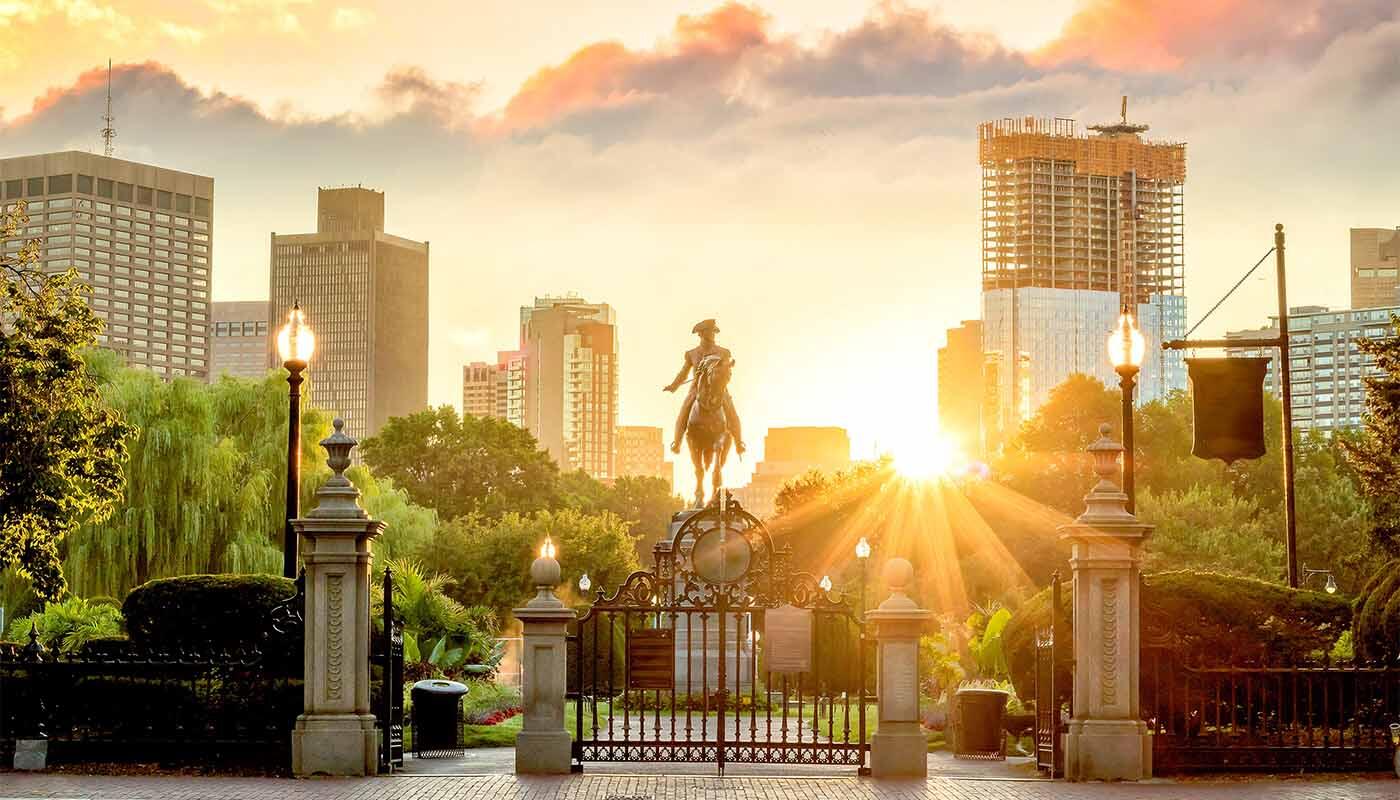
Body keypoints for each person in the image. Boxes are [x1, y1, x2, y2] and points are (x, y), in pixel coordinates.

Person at [664, 319, 745, 455]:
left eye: (713, 332)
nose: (712, 334)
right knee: (684, 411)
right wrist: (673, 386)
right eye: (709, 332)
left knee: (732, 413)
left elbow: (727, 372)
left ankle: (738, 443)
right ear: (701, 334)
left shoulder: (723, 352)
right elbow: (683, 373)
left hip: (718, 390)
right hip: (696, 390)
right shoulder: (692, 354)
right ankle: (677, 443)